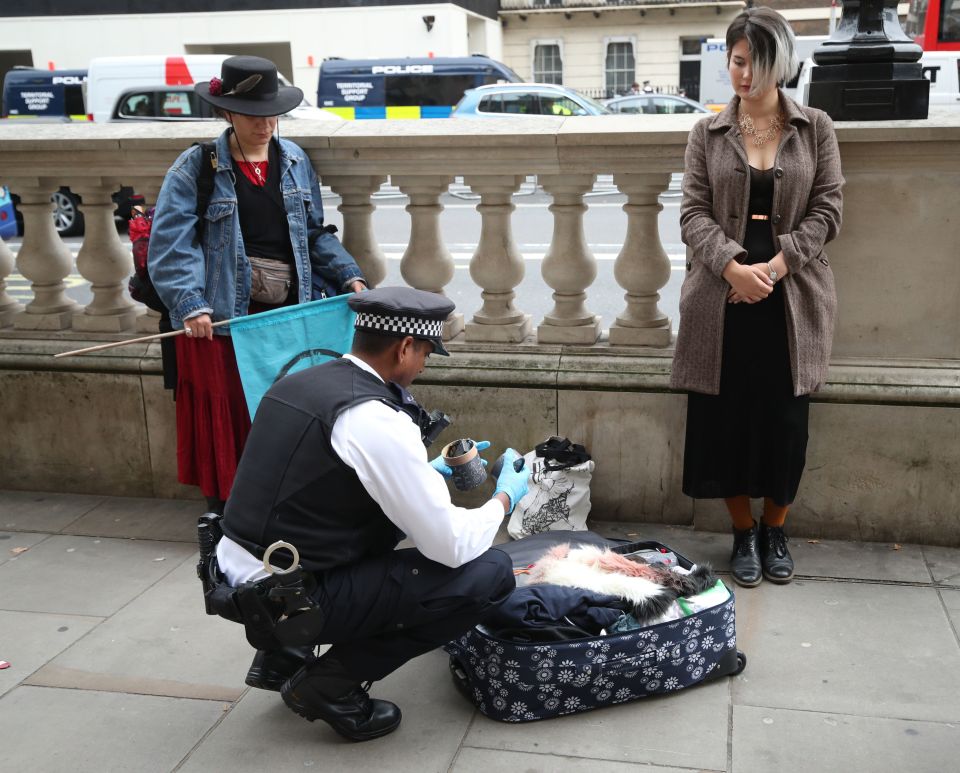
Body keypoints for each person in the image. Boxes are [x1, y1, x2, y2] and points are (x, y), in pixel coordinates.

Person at [213, 286, 530, 742]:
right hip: (290, 596)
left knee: (391, 542)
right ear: (404, 347)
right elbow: (451, 545)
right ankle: (328, 685)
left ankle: (281, 656)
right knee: (490, 573)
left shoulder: (303, 381)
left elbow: (320, 488)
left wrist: (426, 472)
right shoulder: (375, 416)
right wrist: (504, 497)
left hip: (241, 571)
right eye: (424, 353)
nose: (422, 366)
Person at [148, 56, 366, 515]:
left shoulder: (294, 161)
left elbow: (310, 233)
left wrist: (350, 275)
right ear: (227, 113)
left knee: (286, 413)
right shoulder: (196, 166)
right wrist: (192, 305)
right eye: (253, 115)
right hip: (224, 320)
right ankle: (231, 515)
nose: (266, 125)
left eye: (272, 114)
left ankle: (284, 507)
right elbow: (171, 245)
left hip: (286, 315)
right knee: (228, 420)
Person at [671, 7, 843, 588]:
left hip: (791, 298)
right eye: (737, 61)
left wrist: (773, 264)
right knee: (725, 421)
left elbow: (829, 210)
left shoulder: (814, 127)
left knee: (785, 424)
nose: (744, 75)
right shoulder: (707, 131)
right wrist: (731, 267)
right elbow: (692, 214)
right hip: (723, 302)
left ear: (781, 65)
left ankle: (776, 529)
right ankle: (742, 533)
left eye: (757, 63)